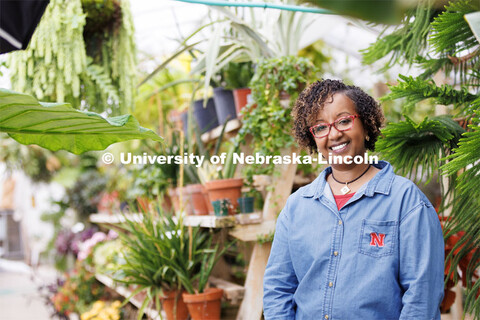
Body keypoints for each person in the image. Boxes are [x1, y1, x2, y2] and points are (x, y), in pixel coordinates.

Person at [263, 79, 444, 320]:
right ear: (313, 139)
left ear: (367, 125)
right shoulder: (296, 207)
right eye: (320, 127)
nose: (334, 134)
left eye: (344, 121)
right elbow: (278, 289)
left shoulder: (406, 202)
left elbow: (422, 296)